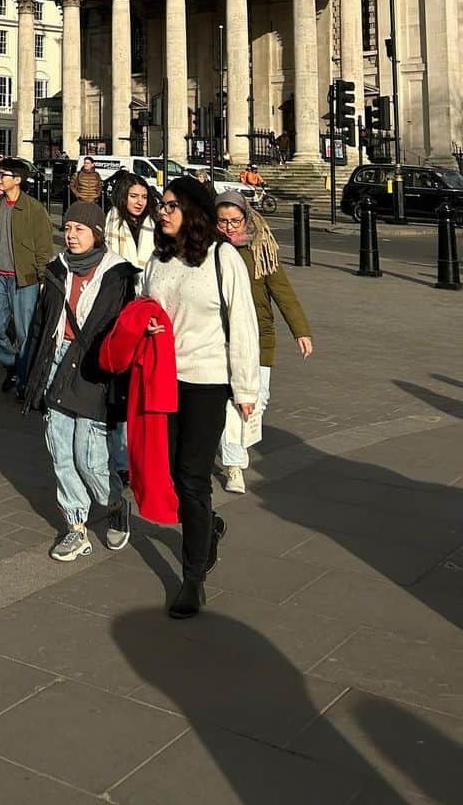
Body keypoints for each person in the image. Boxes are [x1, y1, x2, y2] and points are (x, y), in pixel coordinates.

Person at [141, 177, 260, 619]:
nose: (162, 212)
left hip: (207, 380)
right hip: (163, 378)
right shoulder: (158, 258)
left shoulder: (222, 257)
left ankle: (193, 578)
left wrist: (245, 390)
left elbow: (242, 322)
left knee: (191, 477)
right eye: (162, 205)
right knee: (173, 473)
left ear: (193, 211)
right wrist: (148, 324)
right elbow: (146, 307)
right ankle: (207, 529)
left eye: (171, 206)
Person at [22, 201, 136, 560]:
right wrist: (32, 373)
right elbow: (41, 323)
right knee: (60, 452)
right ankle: (75, 526)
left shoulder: (118, 275)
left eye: (79, 230)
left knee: (89, 457)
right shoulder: (57, 268)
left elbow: (123, 331)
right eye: (68, 228)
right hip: (57, 361)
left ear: (96, 234)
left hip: (93, 369)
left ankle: (114, 502)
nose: (71, 236)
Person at [215, 191, 313, 494]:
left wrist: (301, 330)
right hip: (220, 336)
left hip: (259, 335)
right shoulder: (208, 249)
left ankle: (234, 447)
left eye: (235, 221)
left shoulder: (261, 247)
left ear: (246, 217)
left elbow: (282, 291)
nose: (229, 227)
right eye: (222, 222)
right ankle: (234, 463)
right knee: (233, 402)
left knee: (257, 400)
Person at [0, 158, 54, 395]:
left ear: (18, 180)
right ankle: (13, 364)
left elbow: (44, 247)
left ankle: (24, 381)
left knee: (25, 333)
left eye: (4, 174)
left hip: (26, 279)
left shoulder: (34, 209)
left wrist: (42, 279)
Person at [104, 174, 158, 292]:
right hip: (119, 289)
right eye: (134, 196)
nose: (140, 202)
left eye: (144, 197)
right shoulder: (113, 220)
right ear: (123, 196)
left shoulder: (153, 222)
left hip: (149, 289)